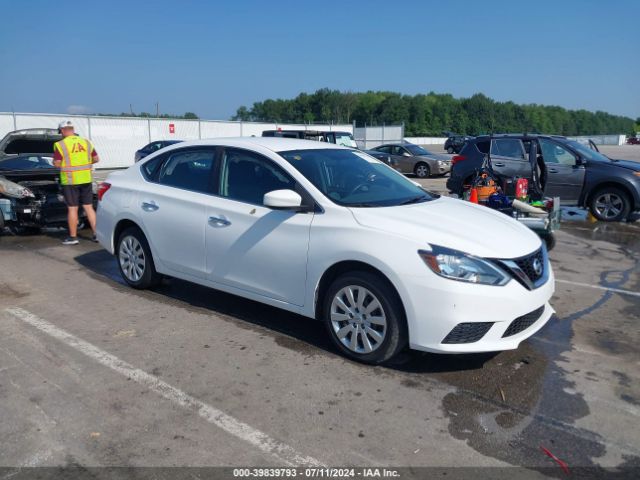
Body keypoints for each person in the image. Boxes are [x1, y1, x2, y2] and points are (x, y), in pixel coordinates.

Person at [52, 120, 99, 245]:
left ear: (62, 131)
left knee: (72, 208)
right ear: (72, 129)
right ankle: (96, 235)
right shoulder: (86, 142)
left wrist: (56, 164)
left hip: (70, 181)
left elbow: (57, 163)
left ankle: (73, 238)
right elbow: (96, 159)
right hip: (86, 179)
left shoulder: (60, 145)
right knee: (89, 207)